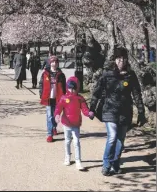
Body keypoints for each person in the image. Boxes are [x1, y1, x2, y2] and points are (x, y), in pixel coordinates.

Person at [89, 47, 147, 176]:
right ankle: (106, 164)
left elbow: (137, 95)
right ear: (115, 60)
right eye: (119, 59)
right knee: (112, 137)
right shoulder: (107, 74)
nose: (121, 61)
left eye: (124, 59)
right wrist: (92, 108)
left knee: (120, 140)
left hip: (125, 111)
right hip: (110, 109)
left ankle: (115, 163)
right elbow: (97, 92)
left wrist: (141, 113)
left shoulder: (131, 75)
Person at [54, 76, 94, 170]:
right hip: (66, 123)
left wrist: (88, 113)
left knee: (76, 142)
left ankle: (78, 160)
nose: (71, 90)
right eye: (69, 88)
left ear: (77, 88)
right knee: (67, 141)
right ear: (67, 87)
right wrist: (57, 115)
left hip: (76, 124)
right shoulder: (64, 98)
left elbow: (84, 109)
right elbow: (58, 108)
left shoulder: (80, 98)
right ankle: (67, 157)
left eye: (73, 88)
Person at [39, 55, 66, 142]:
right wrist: (41, 94)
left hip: (58, 98)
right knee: (49, 116)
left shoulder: (61, 75)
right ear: (50, 63)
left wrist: (64, 97)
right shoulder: (45, 74)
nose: (54, 63)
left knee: (55, 115)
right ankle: (50, 134)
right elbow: (41, 85)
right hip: (48, 98)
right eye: (53, 62)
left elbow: (64, 87)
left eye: (56, 62)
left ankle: (54, 126)